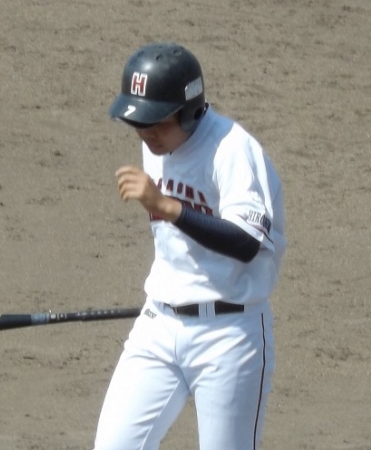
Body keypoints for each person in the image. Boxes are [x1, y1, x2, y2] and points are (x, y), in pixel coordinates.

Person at [94, 42, 286, 450]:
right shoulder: (157, 145)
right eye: (138, 123)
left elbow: (247, 242)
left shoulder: (232, 150)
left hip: (229, 336)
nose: (146, 133)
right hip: (158, 326)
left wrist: (168, 207)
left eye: (155, 122)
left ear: (189, 111)